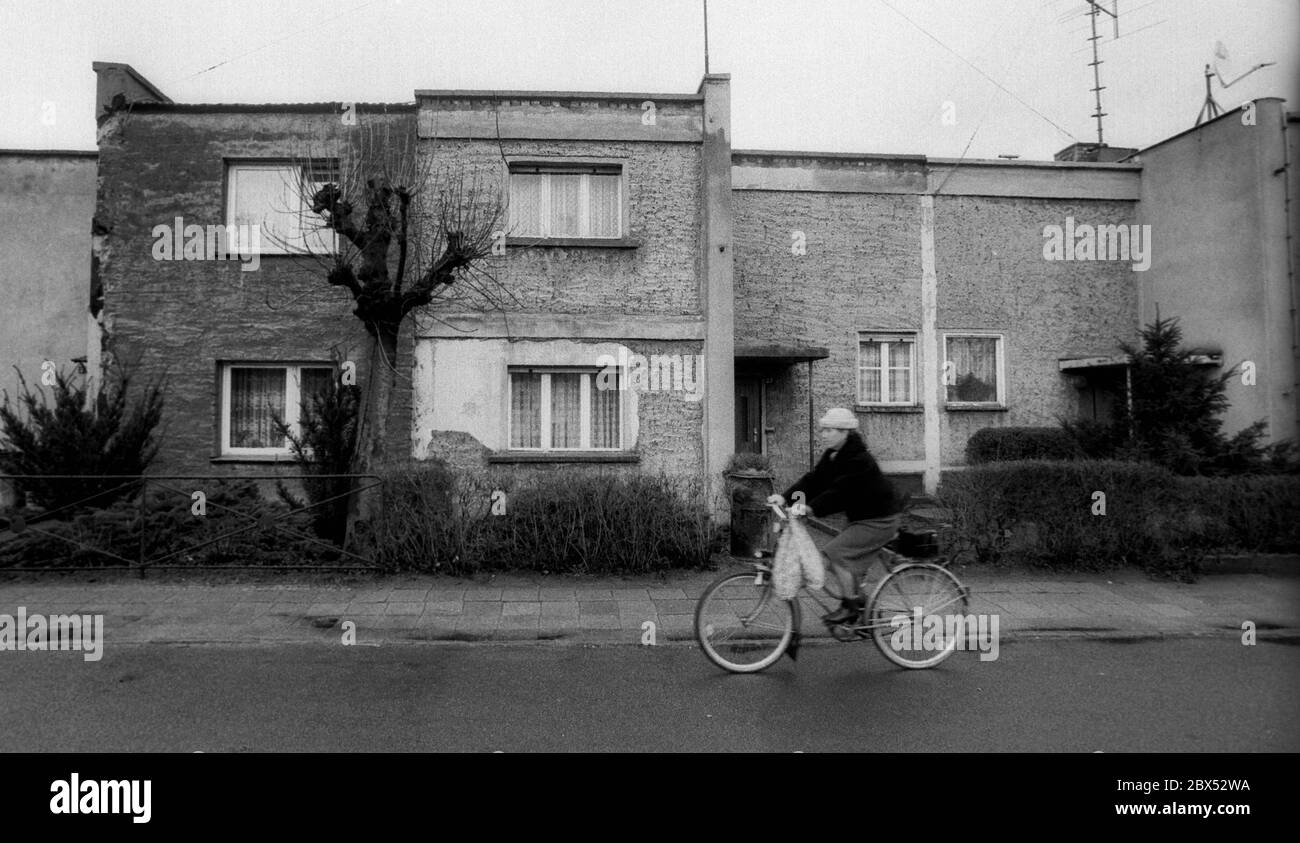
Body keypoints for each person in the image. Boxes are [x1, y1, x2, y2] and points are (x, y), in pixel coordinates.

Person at [766, 408, 900, 624]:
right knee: (833, 562)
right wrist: (786, 498)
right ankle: (865, 612)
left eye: (829, 430)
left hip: (879, 520)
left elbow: (840, 492)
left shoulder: (858, 459)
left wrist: (809, 509)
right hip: (861, 518)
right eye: (823, 430)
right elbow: (813, 481)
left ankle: (850, 608)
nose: (824, 434)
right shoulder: (833, 455)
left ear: (844, 432)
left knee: (836, 554)